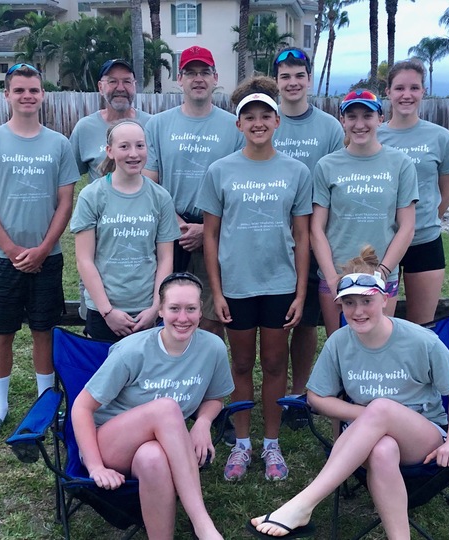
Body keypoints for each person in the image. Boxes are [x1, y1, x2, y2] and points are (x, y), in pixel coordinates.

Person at [247, 246, 449, 539]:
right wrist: (367, 415)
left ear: (385, 298)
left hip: (423, 437)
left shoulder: (420, 340)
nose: (358, 311)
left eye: (366, 301)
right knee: (382, 448)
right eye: (349, 303)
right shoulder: (340, 342)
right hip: (367, 441)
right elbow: (316, 397)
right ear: (340, 306)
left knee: (381, 408)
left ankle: (304, 504)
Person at [198, 77, 312, 482]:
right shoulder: (219, 170)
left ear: (277, 122)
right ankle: (242, 444)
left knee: (276, 362)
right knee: (242, 363)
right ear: (238, 124)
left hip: (280, 284)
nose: (258, 122)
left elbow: (302, 235)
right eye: (250, 116)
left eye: (266, 115)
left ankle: (272, 444)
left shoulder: (296, 171)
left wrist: (300, 292)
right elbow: (210, 234)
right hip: (237, 285)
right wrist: (216, 290)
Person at [72, 272, 234, 540]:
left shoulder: (212, 348)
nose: (183, 318)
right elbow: (81, 407)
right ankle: (203, 524)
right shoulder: (132, 351)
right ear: (160, 310)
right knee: (166, 408)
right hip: (110, 445)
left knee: (153, 458)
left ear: (200, 310)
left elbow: (215, 397)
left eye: (191, 309)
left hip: (162, 446)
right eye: (174, 308)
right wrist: (95, 467)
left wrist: (203, 423)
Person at [0, 63, 79, 441]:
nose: (27, 96)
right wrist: (12, 249)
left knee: (44, 329)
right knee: (2, 332)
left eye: (34, 90)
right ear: (7, 94)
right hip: (3, 258)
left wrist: (44, 247)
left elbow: (66, 202)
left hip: (48, 256)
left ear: (42, 94)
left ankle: (46, 401)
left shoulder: (59, 143)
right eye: (19, 90)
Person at [143, 45, 244, 339]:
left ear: (215, 78)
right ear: (179, 78)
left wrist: (207, 228)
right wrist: (175, 222)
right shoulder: (158, 124)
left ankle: (205, 381)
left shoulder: (234, 127)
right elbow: (149, 182)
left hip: (214, 230)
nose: (198, 79)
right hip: (168, 230)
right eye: (190, 72)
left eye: (204, 72)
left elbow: (238, 189)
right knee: (168, 312)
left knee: (210, 317)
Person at [311, 89, 418, 337]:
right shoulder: (326, 166)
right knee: (341, 347)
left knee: (380, 346)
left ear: (380, 118)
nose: (359, 124)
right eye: (352, 116)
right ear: (343, 121)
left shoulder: (400, 164)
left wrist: (381, 273)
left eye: (367, 116)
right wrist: (331, 278)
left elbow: (406, 226)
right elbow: (316, 228)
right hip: (337, 275)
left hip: (382, 276)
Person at [271, 47, 345, 401]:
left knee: (304, 321)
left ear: (309, 80)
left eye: (299, 75)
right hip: (269, 236)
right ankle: (272, 390)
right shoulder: (265, 120)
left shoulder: (329, 128)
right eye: (285, 76)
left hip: (314, 237)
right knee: (274, 321)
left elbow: (335, 183)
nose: (293, 82)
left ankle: (298, 393)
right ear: (276, 82)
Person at [70, 119, 179, 342]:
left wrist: (155, 308)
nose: (133, 153)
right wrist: (107, 312)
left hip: (146, 311)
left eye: (140, 145)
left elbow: (166, 258)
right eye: (124, 146)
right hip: (105, 310)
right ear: (110, 151)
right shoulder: (91, 196)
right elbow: (84, 260)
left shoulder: (160, 197)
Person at [378, 59, 449, 325]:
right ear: (388, 92)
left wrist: (421, 221)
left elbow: (446, 191)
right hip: (381, 241)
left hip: (425, 241)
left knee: (422, 327)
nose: (407, 95)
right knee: (377, 323)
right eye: (399, 88)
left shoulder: (440, 137)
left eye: (414, 88)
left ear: (423, 91)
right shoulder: (373, 136)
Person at [70, 59, 152, 183]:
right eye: (112, 81)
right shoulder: (85, 128)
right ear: (100, 87)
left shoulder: (152, 125)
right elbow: (68, 177)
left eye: (127, 81)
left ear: (135, 86)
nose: (120, 88)